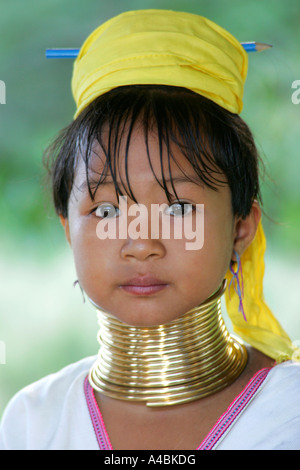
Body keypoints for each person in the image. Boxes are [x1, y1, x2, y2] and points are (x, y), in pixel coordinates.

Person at [0, 9, 299, 451]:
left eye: (178, 208)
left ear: (241, 228)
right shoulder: (33, 420)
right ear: (68, 229)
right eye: (105, 211)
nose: (141, 243)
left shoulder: (289, 412)